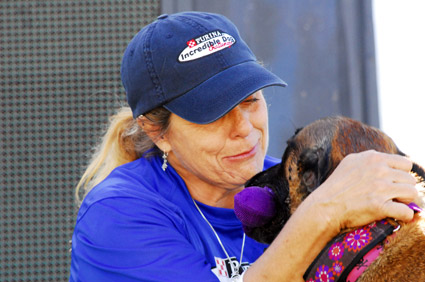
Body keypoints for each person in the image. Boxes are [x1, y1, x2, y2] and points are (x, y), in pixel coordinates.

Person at [69, 11, 418, 282]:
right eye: (213, 113)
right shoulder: (118, 213)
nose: (245, 129)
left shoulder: (296, 183)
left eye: (251, 100)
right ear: (157, 131)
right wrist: (326, 212)